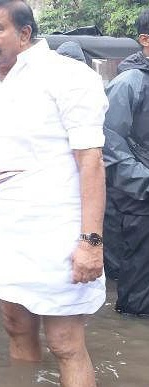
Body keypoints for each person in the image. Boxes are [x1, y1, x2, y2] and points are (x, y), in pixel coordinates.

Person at [0, 1, 107, 386]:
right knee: (15, 325)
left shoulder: (67, 77)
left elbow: (91, 161)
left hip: (54, 230)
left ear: (25, 34)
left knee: (65, 342)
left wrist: (90, 242)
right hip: (1, 227)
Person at [103, 8, 149, 316]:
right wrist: (145, 184)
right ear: (145, 40)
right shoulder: (129, 83)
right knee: (139, 291)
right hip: (139, 200)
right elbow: (109, 143)